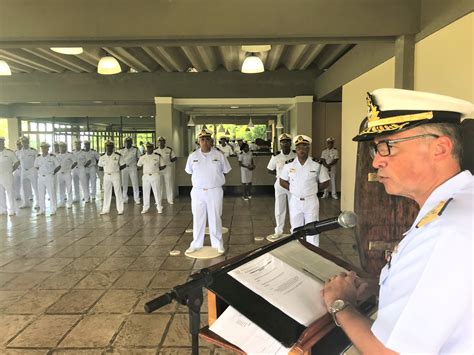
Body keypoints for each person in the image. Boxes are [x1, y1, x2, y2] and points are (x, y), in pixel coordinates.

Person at [321, 89, 473, 354]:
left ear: (440, 147)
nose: (377, 161)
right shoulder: (457, 205)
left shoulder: (444, 230)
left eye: (387, 147)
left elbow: (389, 352)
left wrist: (340, 303)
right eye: (376, 149)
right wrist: (385, 286)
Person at [185, 128, 231, 254]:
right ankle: (196, 244)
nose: (204, 142)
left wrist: (215, 181)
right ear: (198, 142)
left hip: (214, 191)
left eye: (207, 139)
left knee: (215, 217)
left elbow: (226, 171)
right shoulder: (193, 156)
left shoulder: (219, 155)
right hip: (198, 191)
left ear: (211, 141)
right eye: (202, 139)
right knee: (198, 217)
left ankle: (217, 244)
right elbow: (189, 171)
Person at [280, 135, 329, 246]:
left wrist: (313, 189)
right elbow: (282, 181)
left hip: (311, 201)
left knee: (312, 229)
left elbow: (326, 182)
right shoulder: (289, 164)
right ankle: (298, 252)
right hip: (295, 201)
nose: (301, 150)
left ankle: (313, 253)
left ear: (308, 148)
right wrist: (294, 189)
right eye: (299, 147)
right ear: (296, 149)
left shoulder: (317, 164)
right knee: (296, 229)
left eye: (304, 147)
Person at [266, 133, 296, 240]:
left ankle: (294, 231)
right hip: (279, 184)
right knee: (279, 208)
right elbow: (269, 169)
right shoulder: (276, 156)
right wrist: (279, 175)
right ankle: (278, 231)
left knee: (294, 208)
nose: (285, 144)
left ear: (290, 143)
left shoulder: (295, 156)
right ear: (280, 144)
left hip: (293, 184)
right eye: (283, 142)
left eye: (287, 141)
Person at [137, 142, 166, 214]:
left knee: (157, 192)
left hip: (155, 175)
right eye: (148, 147)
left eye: (151, 147)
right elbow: (138, 165)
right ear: (146, 148)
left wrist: (157, 169)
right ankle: (145, 207)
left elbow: (163, 165)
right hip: (146, 176)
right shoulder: (142, 157)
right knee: (145, 192)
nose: (150, 149)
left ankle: (159, 207)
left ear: (153, 148)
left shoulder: (157, 156)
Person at [98, 140, 125, 215]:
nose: (109, 147)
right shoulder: (102, 156)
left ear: (113, 147)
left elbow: (123, 165)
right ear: (106, 147)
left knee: (118, 192)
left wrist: (116, 169)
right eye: (108, 146)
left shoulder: (118, 155)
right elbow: (99, 167)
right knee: (106, 193)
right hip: (106, 175)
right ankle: (105, 209)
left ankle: (120, 209)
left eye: (110, 146)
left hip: (115, 175)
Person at [34, 142, 61, 216]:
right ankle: (42, 209)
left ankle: (53, 209)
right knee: (41, 193)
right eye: (42, 148)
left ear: (48, 148)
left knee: (51, 193)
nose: (44, 149)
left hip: (49, 176)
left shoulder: (52, 157)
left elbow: (58, 166)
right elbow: (36, 166)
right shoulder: (38, 158)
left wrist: (53, 173)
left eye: (45, 147)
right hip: (40, 177)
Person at [154, 136, 177, 205]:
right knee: (159, 185)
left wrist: (170, 161)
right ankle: (158, 200)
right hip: (159, 169)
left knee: (168, 184)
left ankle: (170, 200)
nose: (161, 142)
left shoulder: (169, 150)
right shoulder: (155, 151)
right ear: (158, 142)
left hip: (167, 168)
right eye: (160, 141)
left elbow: (175, 157)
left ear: (164, 142)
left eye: (162, 141)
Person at [0, 137, 20, 216]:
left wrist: (11, 170)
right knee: (0, 193)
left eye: (1, 142)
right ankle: (3, 209)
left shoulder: (9, 153)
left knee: (10, 193)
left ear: (3, 143)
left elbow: (17, 162)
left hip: (7, 175)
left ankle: (12, 210)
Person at [18, 136, 39, 209]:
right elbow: (18, 162)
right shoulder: (19, 152)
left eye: (25, 141)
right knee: (24, 187)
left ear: (28, 142)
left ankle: (38, 203)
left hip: (32, 170)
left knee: (35, 187)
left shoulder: (33, 151)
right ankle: (25, 203)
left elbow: (38, 161)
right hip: (23, 171)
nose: (24, 143)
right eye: (22, 142)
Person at [120, 136, 141, 204]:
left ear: (131, 142)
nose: (127, 143)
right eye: (126, 142)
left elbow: (140, 158)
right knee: (124, 183)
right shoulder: (121, 150)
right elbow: (119, 159)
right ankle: (124, 198)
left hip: (132, 167)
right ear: (124, 143)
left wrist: (138, 166)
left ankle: (137, 199)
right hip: (124, 168)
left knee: (135, 183)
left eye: (129, 142)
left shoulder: (136, 149)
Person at [56, 142, 77, 208]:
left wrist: (70, 168)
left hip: (67, 173)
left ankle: (69, 202)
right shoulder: (57, 155)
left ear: (66, 147)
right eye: (60, 147)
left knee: (69, 188)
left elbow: (75, 162)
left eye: (63, 147)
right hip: (60, 174)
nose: (62, 148)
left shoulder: (70, 155)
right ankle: (62, 202)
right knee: (61, 188)